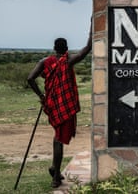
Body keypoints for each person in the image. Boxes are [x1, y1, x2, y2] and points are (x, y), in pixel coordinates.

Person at [27, 26, 92, 188]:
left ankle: (54, 168)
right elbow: (87, 49)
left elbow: (30, 79)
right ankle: (55, 176)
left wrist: (41, 96)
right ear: (66, 49)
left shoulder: (45, 62)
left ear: (54, 48)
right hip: (64, 105)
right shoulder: (68, 61)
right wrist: (92, 27)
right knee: (59, 139)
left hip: (52, 104)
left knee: (59, 136)